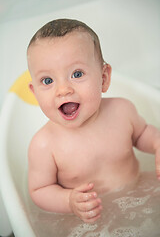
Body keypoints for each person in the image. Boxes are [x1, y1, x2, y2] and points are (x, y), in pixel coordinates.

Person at [27, 18, 160, 223]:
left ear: (104, 78)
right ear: (35, 92)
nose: (63, 90)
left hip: (140, 194)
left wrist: (157, 144)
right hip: (88, 221)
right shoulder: (44, 145)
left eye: (77, 74)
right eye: (48, 80)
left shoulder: (122, 111)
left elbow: (143, 134)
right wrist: (69, 201)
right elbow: (39, 190)